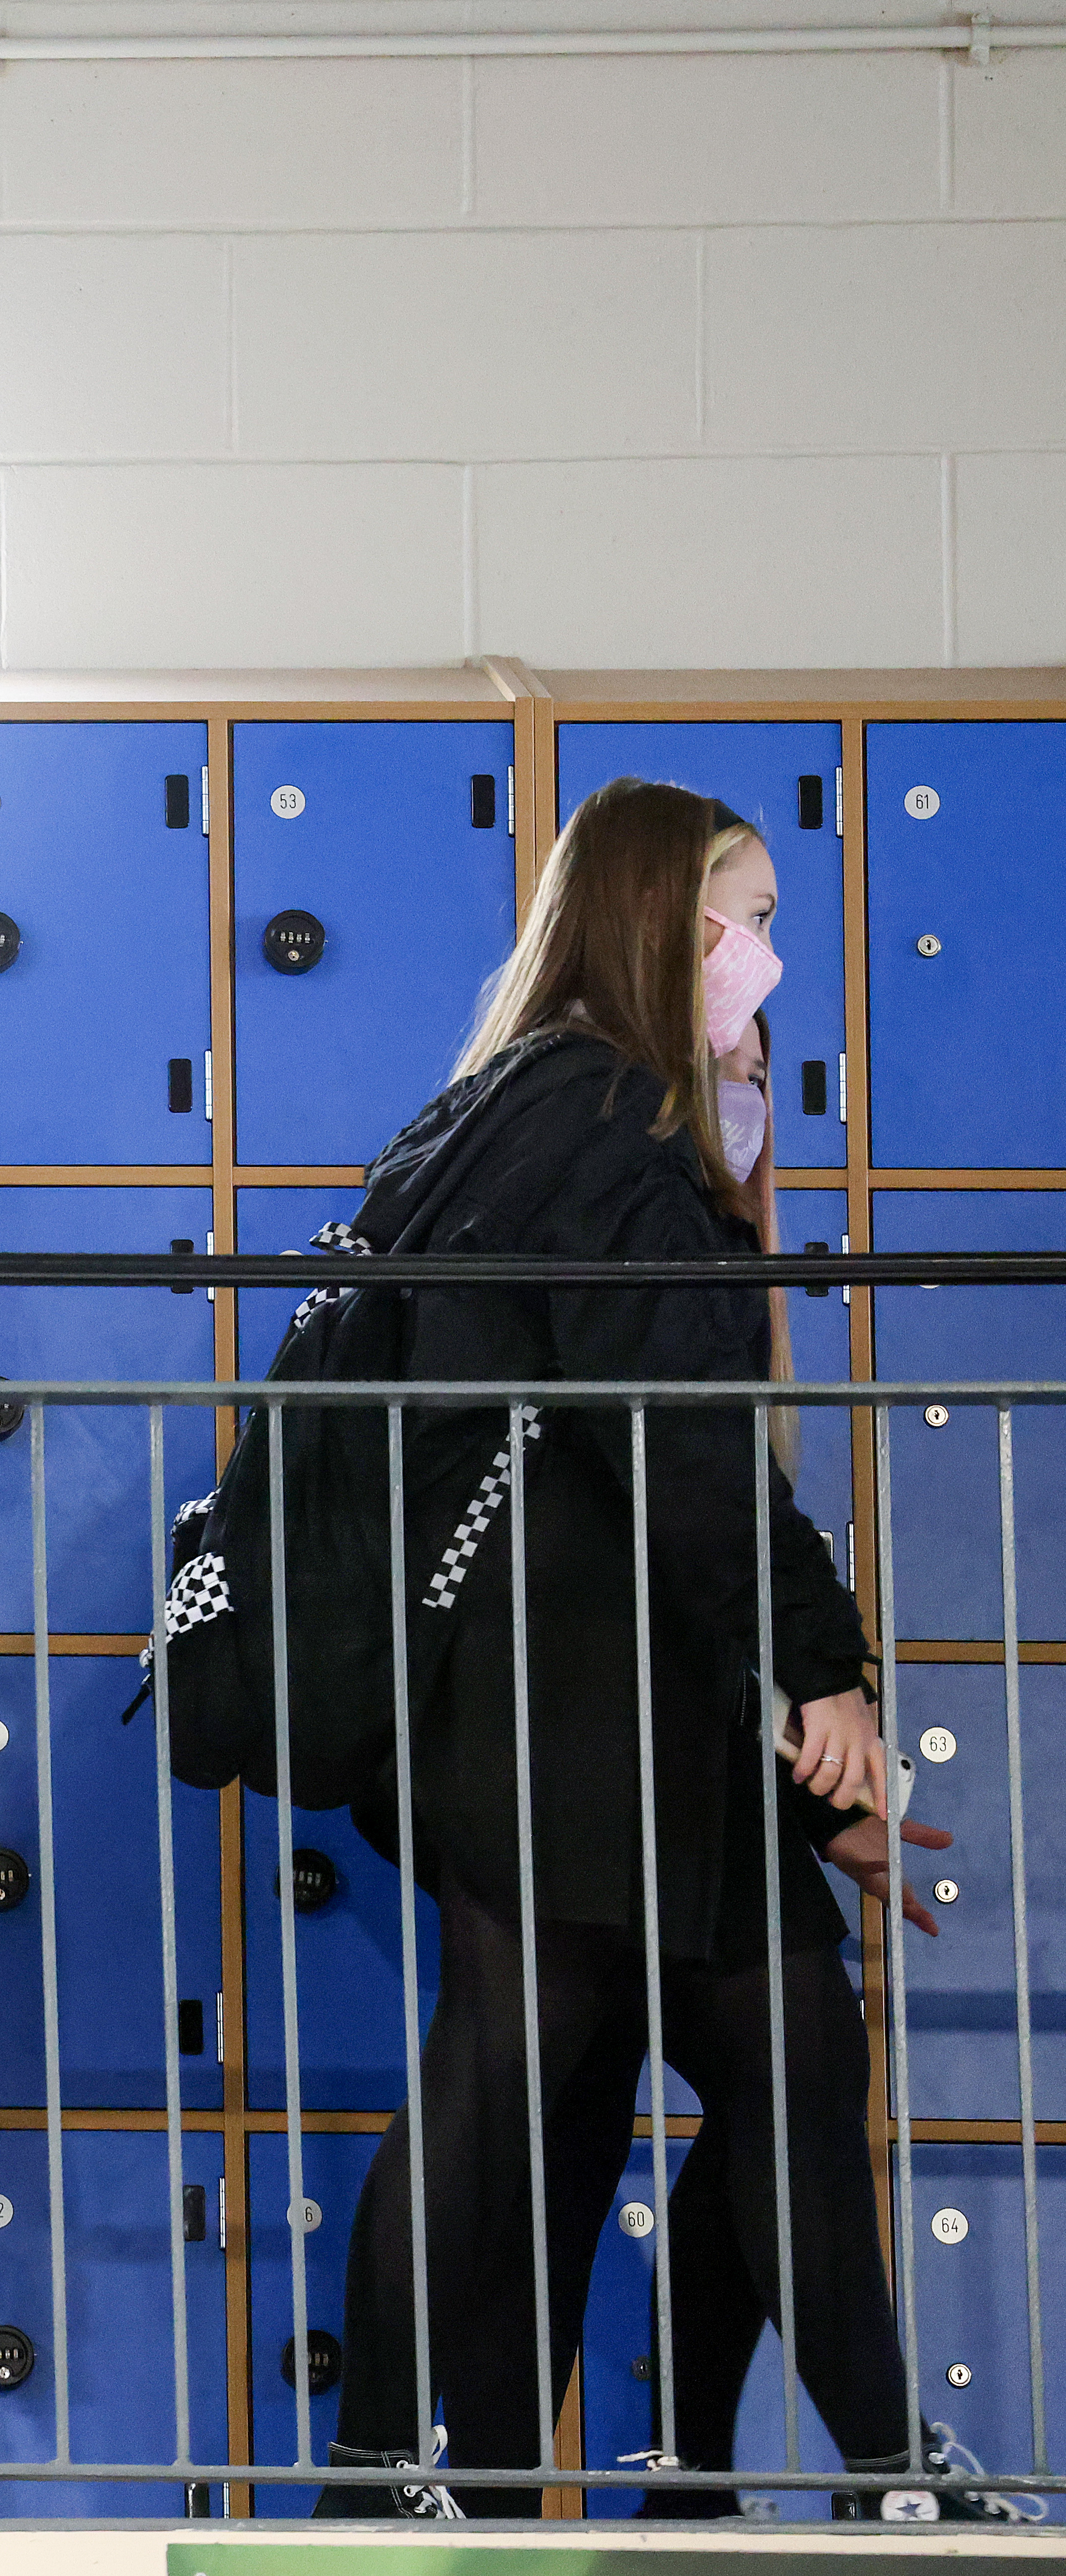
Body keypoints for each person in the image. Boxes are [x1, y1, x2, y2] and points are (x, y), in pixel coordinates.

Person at [314, 783, 1009, 2521]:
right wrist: (828, 1674)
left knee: (713, 2052)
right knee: (530, 2065)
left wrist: (801, 1764)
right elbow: (687, 1440)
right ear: (656, 922)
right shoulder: (609, 1118)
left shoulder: (499, 1110)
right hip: (565, 1702)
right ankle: (413, 2469)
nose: (764, 959)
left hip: (582, 1703)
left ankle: (732, 2468)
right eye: (740, 916)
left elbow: (671, 1453)